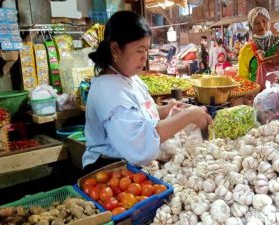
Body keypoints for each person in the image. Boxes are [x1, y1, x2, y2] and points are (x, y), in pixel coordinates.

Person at [83, 11, 212, 172]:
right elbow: (140, 142)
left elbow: (138, 114)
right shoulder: (108, 91)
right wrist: (190, 115)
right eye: (140, 50)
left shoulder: (129, 77)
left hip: (129, 167)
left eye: (146, 50)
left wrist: (164, 111)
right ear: (115, 49)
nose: (145, 58)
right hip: (108, 172)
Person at [238, 7, 279, 82]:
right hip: (258, 92)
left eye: (264, 21)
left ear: (269, 23)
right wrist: (251, 91)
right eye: (256, 23)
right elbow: (242, 77)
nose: (261, 25)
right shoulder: (246, 50)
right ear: (252, 27)